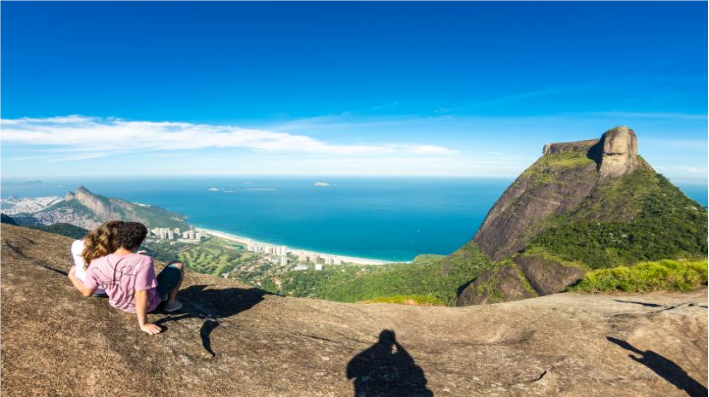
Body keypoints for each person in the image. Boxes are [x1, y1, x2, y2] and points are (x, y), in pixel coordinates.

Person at [68, 222, 185, 335]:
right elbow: (141, 293)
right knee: (177, 265)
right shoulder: (144, 261)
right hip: (149, 305)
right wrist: (143, 323)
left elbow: (87, 292)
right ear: (138, 244)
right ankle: (171, 303)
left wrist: (72, 276)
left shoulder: (96, 262)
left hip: (116, 303)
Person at [70, 220, 124, 297]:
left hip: (80, 279)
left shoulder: (77, 244)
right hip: (101, 291)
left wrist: (72, 274)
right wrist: (71, 276)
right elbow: (87, 292)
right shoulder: (114, 258)